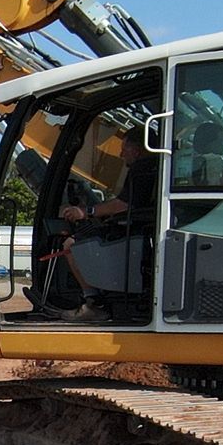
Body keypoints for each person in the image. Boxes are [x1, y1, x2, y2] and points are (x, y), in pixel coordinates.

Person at [54, 121, 159, 321]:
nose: (121, 154)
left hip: (134, 232)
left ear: (136, 150)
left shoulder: (141, 169)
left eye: (124, 149)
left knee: (71, 244)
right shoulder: (157, 167)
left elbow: (124, 204)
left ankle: (94, 303)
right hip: (142, 230)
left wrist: (86, 211)